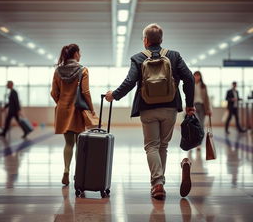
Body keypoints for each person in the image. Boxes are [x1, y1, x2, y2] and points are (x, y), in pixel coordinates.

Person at [105, 23, 195, 199]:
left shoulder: (138, 58)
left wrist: (113, 95)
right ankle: (160, 181)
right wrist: (189, 104)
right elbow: (190, 79)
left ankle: (158, 184)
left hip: (147, 108)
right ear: (161, 40)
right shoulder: (174, 56)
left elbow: (130, 82)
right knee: (163, 145)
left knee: (151, 146)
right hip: (170, 107)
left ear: (145, 40)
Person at [51, 44, 95, 186]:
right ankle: (78, 173)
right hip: (77, 110)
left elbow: (54, 93)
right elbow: (85, 92)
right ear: (75, 54)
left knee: (68, 143)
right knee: (79, 143)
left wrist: (62, 102)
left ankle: (66, 170)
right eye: (79, 52)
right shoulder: (83, 70)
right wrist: (91, 108)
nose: (80, 55)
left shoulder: (58, 71)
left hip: (63, 110)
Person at [193, 71, 212, 150]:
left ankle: (199, 143)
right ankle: (193, 142)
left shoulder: (203, 86)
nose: (197, 77)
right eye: (195, 76)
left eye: (198, 76)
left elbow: (206, 98)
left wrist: (209, 109)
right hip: (193, 107)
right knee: (194, 125)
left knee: (201, 126)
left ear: (200, 77)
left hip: (202, 107)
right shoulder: (191, 85)